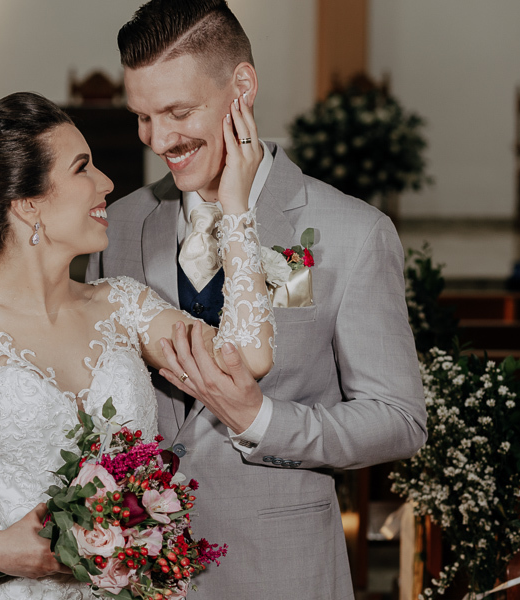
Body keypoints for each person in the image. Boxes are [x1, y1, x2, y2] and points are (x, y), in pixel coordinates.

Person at [0, 84, 274, 599]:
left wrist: (237, 211)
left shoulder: (125, 305)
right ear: (26, 204)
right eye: (82, 168)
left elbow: (247, 358)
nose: (106, 182)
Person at [86, 1, 428, 598]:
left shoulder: (353, 232)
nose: (158, 138)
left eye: (178, 111)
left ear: (241, 86)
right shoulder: (117, 226)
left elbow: (399, 421)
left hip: (281, 570)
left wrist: (260, 420)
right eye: (142, 115)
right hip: (136, 576)